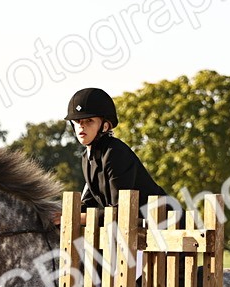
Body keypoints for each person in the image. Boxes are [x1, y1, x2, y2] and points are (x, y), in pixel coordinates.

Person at [65, 87, 167, 216]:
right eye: (77, 121)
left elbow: (120, 210)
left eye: (89, 120)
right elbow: (89, 203)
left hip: (167, 224)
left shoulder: (115, 152)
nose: (81, 126)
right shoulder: (87, 157)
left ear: (105, 126)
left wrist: (78, 219)